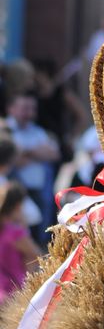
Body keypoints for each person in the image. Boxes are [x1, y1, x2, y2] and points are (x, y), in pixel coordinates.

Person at [5, 92, 60, 245]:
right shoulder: (5, 129)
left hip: (38, 189)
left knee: (39, 227)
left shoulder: (37, 131)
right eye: (24, 108)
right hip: (12, 190)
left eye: (32, 108)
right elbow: (11, 159)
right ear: (11, 108)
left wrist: (25, 152)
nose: (29, 113)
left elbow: (53, 154)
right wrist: (37, 153)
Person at [0, 181, 41, 304]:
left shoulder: (5, 229)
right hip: (13, 294)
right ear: (18, 206)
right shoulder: (16, 233)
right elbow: (37, 256)